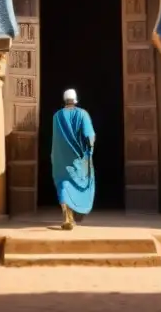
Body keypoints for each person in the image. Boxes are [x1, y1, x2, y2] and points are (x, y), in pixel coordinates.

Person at [50, 88, 96, 230]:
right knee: (79, 182)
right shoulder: (82, 114)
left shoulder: (57, 116)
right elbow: (89, 136)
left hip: (60, 157)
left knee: (63, 184)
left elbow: (56, 138)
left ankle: (66, 216)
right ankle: (75, 213)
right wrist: (90, 151)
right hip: (78, 158)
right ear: (75, 100)